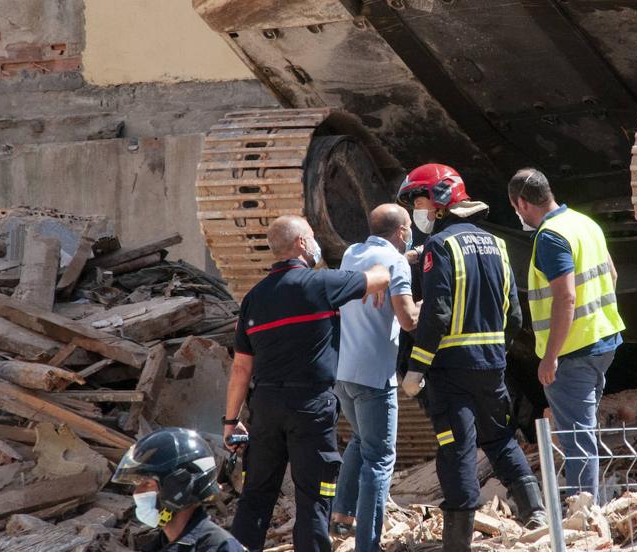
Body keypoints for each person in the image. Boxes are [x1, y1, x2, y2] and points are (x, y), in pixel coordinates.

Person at [397, 164, 547, 551]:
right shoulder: (496, 244)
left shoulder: (440, 246)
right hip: (492, 366)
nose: (419, 210)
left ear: (442, 199)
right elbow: (515, 314)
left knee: (456, 447)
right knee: (499, 438)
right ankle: (537, 514)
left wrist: (417, 367)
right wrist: (494, 347)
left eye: (420, 200)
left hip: (451, 371)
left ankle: (457, 542)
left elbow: (438, 313)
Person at [223, 215, 390, 552]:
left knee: (255, 496)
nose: (315, 244)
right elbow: (379, 276)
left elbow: (241, 368)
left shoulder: (254, 299)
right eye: (312, 237)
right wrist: (395, 262)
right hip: (311, 407)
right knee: (314, 497)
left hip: (266, 408)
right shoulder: (321, 284)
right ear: (301, 243)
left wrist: (230, 421)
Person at [508, 167, 626, 501]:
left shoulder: (550, 236)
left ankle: (583, 512)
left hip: (573, 352)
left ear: (522, 203)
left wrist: (551, 356)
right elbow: (612, 275)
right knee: (583, 429)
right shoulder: (583, 223)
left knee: (576, 437)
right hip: (603, 340)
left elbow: (566, 296)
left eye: (516, 209)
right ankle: (588, 503)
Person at [330, 204, 420, 552]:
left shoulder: (352, 253)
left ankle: (341, 515)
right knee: (380, 458)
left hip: (344, 372)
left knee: (360, 441)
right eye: (409, 227)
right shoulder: (395, 264)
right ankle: (367, 544)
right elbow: (409, 319)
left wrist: (412, 257)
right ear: (400, 232)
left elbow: (383, 262)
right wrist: (436, 304)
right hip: (374, 376)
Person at [112, 427, 244, 551]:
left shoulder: (219, 547)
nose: (137, 493)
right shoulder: (156, 547)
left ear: (180, 487)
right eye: (137, 484)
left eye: (147, 483)